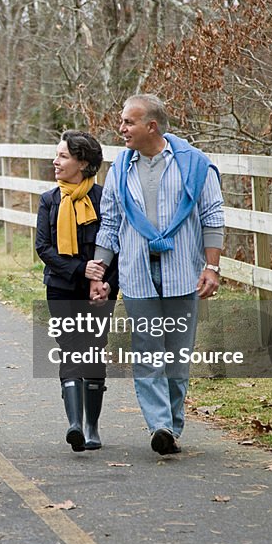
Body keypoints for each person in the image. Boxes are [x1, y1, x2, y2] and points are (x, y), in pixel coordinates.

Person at [90, 94, 224, 456]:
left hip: (183, 273)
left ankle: (173, 424)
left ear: (151, 126)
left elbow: (212, 217)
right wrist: (99, 270)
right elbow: (111, 225)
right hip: (137, 273)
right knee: (148, 349)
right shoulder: (120, 169)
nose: (121, 129)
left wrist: (211, 267)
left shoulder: (195, 166)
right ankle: (159, 424)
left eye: (128, 123)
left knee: (178, 354)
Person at [36, 130, 119, 452]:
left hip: (100, 291)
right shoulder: (50, 200)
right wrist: (78, 270)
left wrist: (107, 281)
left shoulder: (104, 200)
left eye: (63, 156)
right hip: (60, 288)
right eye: (57, 155)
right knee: (70, 349)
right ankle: (74, 425)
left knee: (94, 350)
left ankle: (92, 426)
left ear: (83, 163)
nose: (55, 162)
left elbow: (116, 244)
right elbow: (43, 247)